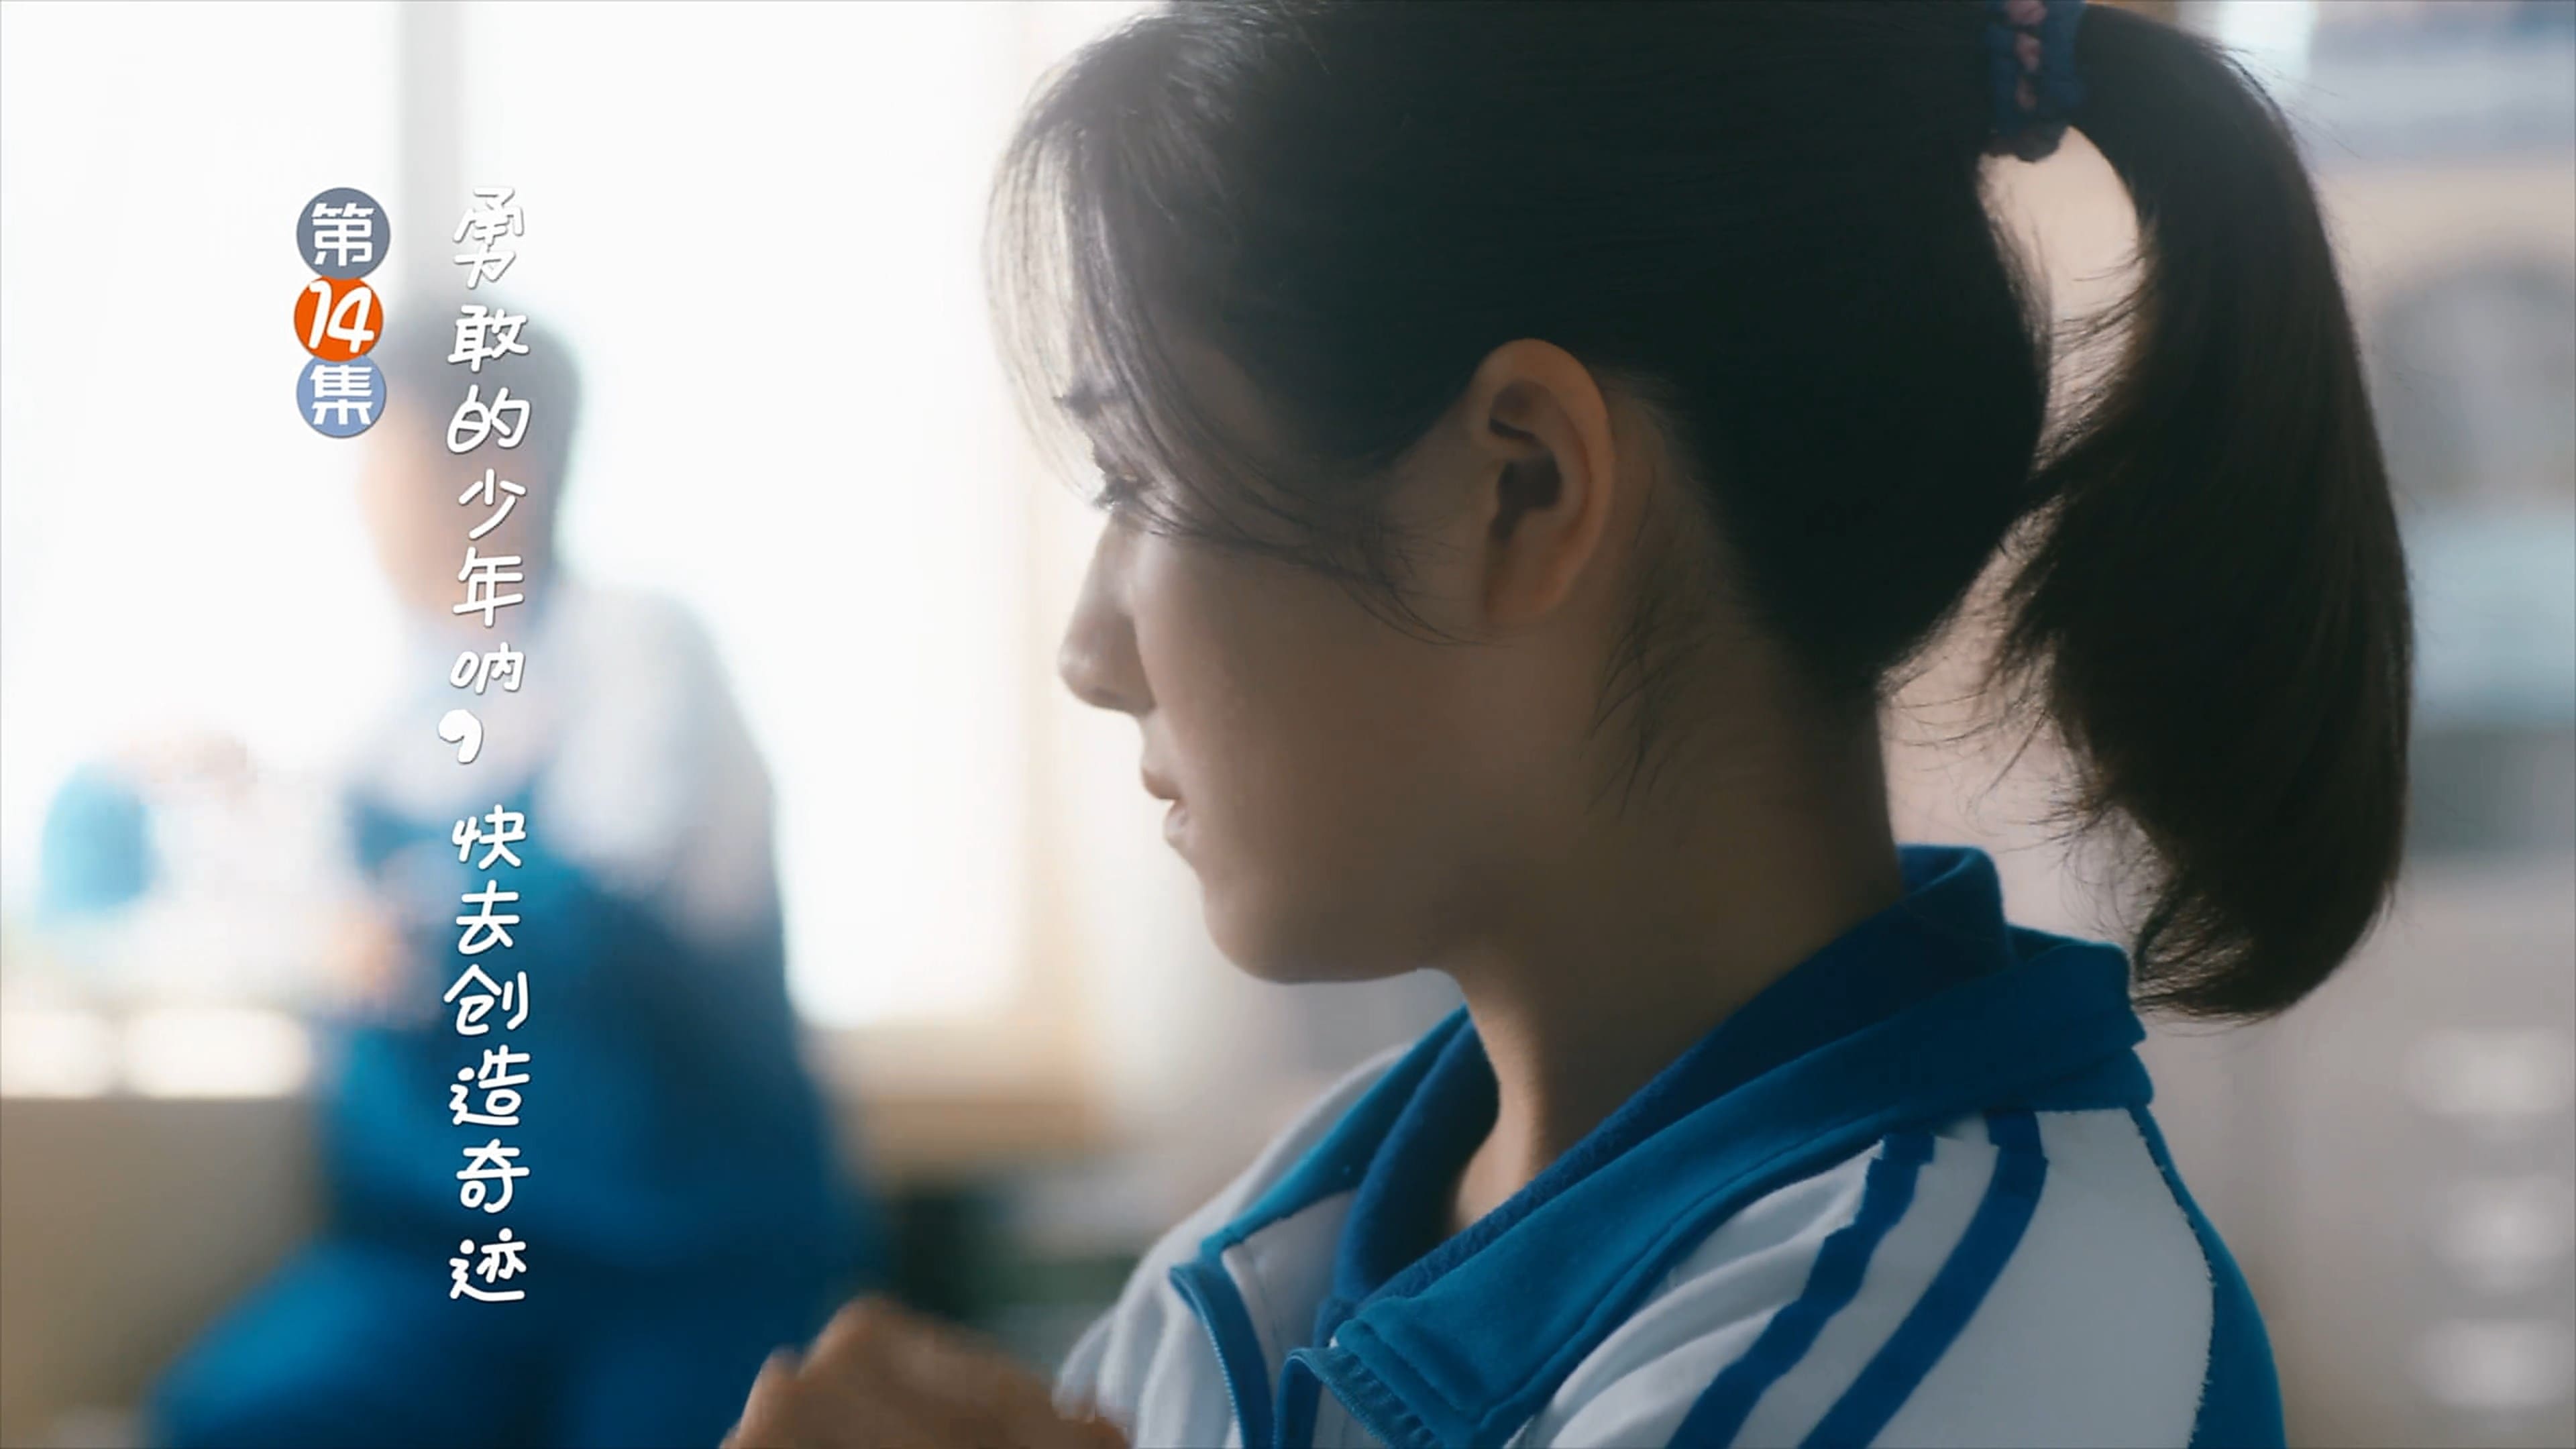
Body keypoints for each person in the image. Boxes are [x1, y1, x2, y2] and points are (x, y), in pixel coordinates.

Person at [724, 1, 2411, 1446]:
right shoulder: (1256, 1262)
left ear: (1521, 490)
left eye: (1139, 477)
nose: (1093, 654)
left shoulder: (1958, 1335)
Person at [146, 313, 880, 1448]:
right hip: (449, 1266)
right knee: (233, 1418)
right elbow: (296, 920)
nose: (366, 504)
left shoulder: (641, 650)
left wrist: (395, 931)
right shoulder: (391, 725)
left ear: (501, 465)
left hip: (678, 1264)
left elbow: (604, 875)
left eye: (387, 460)